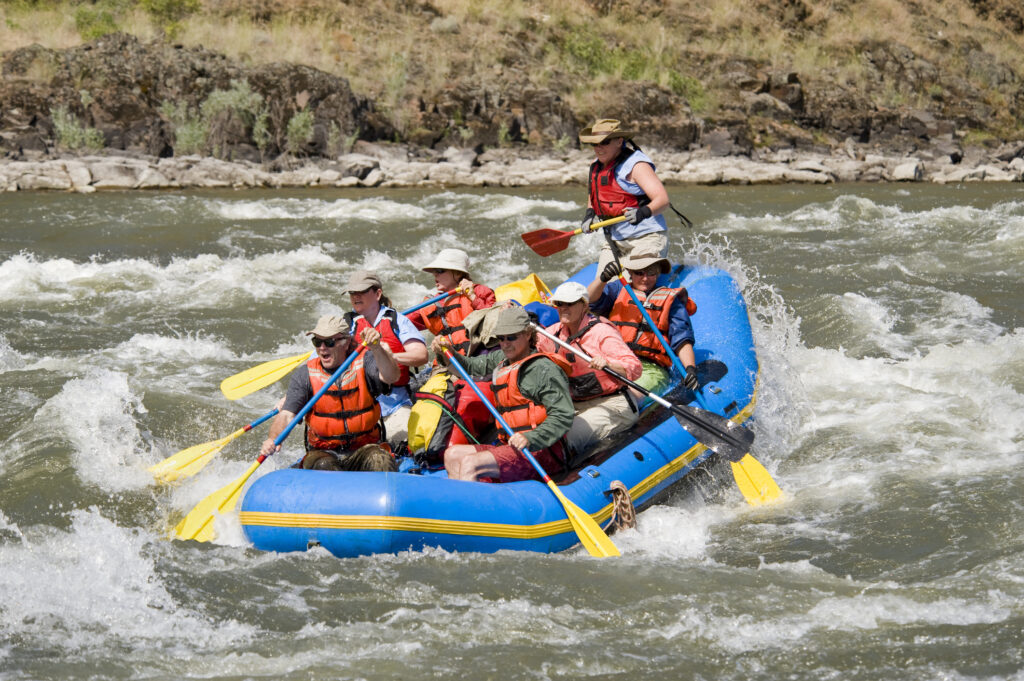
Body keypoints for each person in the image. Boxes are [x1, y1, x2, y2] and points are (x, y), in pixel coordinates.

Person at [432, 306, 574, 483]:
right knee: (452, 455)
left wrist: (530, 438)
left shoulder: (544, 369)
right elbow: (468, 367)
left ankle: (473, 507)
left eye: (512, 337)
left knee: (470, 463)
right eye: (501, 338)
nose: (505, 343)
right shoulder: (501, 358)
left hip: (542, 451)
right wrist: (447, 353)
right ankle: (467, 502)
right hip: (511, 446)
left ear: (528, 334)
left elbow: (563, 415)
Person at [259, 315, 401, 471]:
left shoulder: (366, 361)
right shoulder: (304, 375)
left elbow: (391, 376)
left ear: (346, 343)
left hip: (364, 449)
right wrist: (273, 439)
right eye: (317, 342)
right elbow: (286, 415)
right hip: (323, 453)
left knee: (380, 459)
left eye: (329, 342)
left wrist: (377, 348)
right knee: (324, 465)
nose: (322, 348)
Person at [536, 281, 642, 456]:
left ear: (584, 305)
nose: (563, 308)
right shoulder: (553, 333)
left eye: (569, 303)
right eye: (559, 304)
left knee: (561, 438)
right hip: (575, 404)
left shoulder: (601, 332)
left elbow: (635, 368)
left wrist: (608, 364)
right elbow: (531, 345)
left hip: (612, 405)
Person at [587, 253, 699, 395]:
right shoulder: (617, 290)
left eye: (651, 274)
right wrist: (603, 279)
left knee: (623, 397)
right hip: (611, 361)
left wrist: (690, 368)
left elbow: (681, 337)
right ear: (630, 273)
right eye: (639, 273)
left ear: (658, 274)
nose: (645, 278)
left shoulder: (670, 300)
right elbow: (588, 300)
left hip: (649, 369)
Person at [578, 118, 676, 273]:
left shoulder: (637, 166)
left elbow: (662, 200)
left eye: (605, 142)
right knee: (604, 287)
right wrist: (589, 214)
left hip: (646, 237)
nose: (599, 148)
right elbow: (595, 194)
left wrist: (642, 212)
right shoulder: (595, 165)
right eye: (594, 144)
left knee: (634, 287)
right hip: (615, 240)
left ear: (619, 141)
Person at [344, 269, 429, 444]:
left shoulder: (397, 320)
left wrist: (389, 356)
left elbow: (421, 355)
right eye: (352, 293)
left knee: (406, 444)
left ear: (377, 293)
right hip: (358, 408)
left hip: (394, 406)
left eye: (361, 292)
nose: (355, 297)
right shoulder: (347, 325)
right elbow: (320, 360)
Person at [413, 248, 496, 357]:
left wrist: (472, 297)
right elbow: (403, 323)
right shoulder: (431, 303)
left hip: (478, 357)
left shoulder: (480, 291)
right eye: (434, 271)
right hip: (447, 361)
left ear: (457, 273)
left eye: (440, 270)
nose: (435, 274)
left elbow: (493, 321)